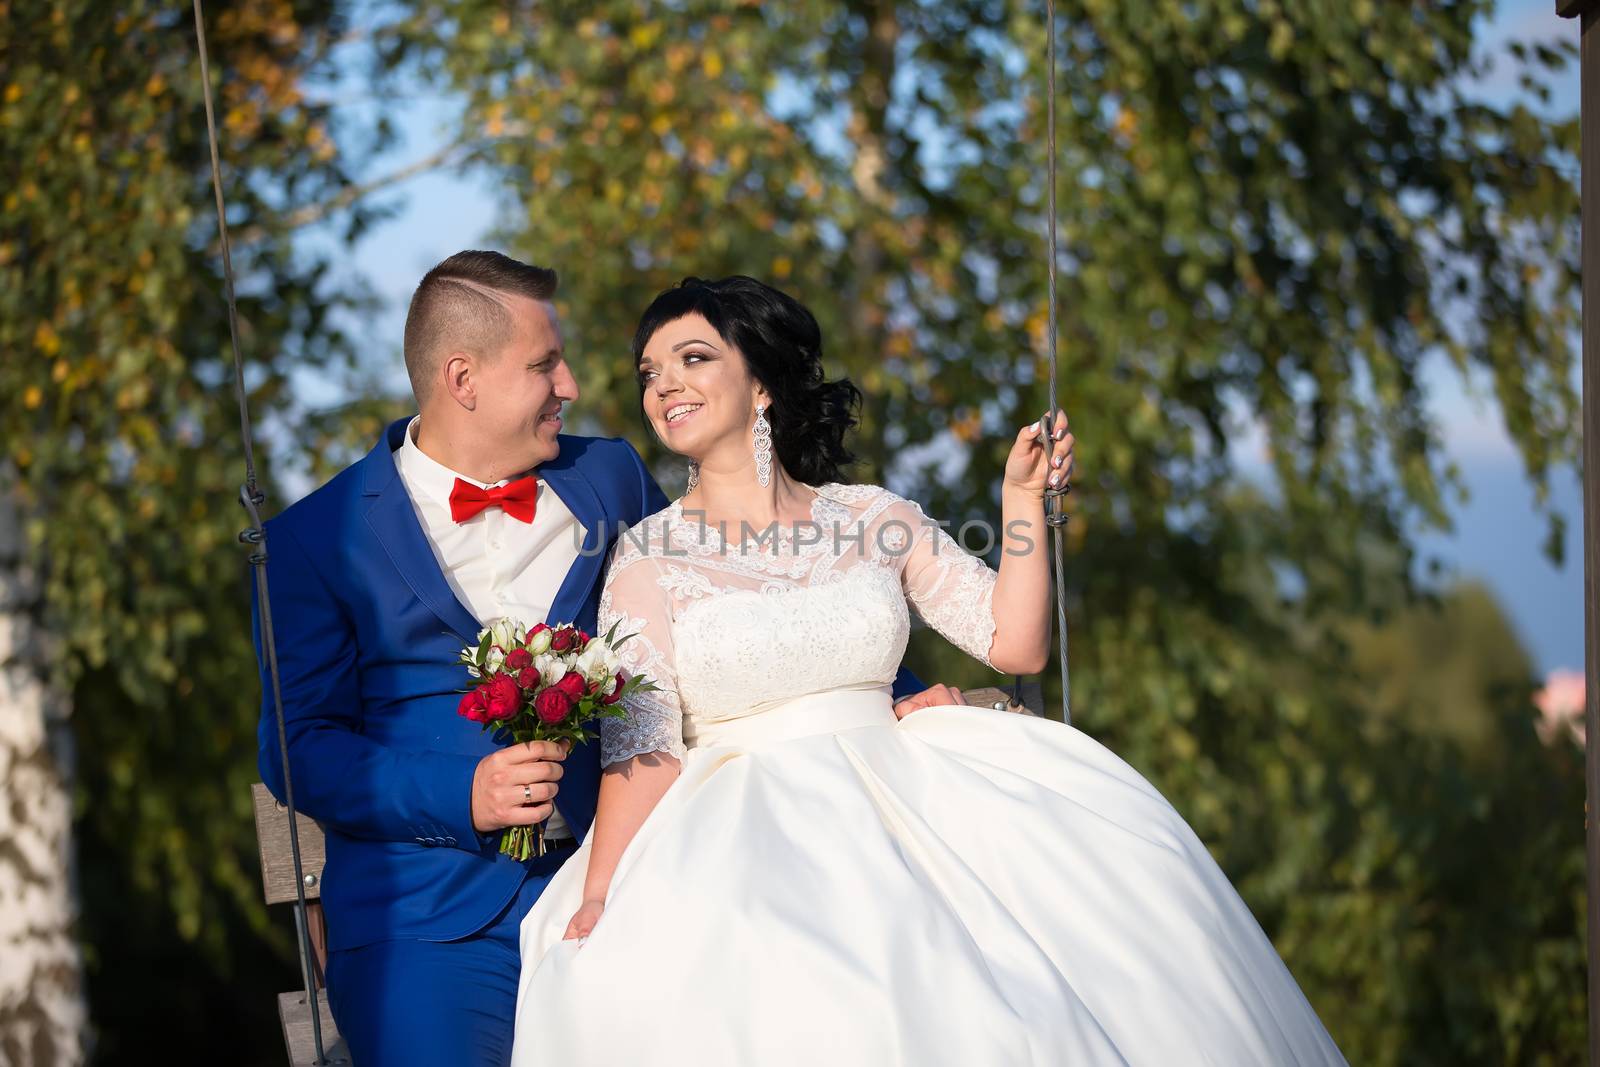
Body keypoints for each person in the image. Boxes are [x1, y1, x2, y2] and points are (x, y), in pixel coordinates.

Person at [509, 276, 1347, 1066]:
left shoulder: (874, 517)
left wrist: (1020, 502)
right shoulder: (646, 558)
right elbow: (640, 750)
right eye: (650, 373)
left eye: (693, 359)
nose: (665, 387)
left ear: (761, 383)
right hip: (742, 838)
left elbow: (1013, 644)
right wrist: (604, 890)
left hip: (913, 811)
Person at [252, 252, 942, 1065]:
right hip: (429, 927)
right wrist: (462, 792)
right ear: (462, 378)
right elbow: (298, 746)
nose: (571, 383)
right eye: (545, 364)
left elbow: (736, 592)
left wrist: (893, 689)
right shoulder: (315, 538)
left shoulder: (606, 477)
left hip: (636, 887)